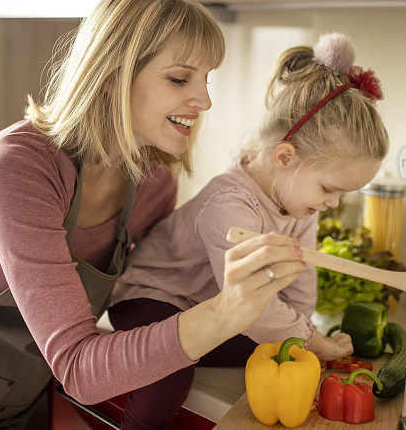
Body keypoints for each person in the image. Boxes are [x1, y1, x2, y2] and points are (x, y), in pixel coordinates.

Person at [0, 0, 307, 429]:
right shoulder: (18, 168)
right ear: (113, 74)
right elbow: (80, 368)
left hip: (7, 387)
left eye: (207, 80)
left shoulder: (154, 179)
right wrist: (226, 311)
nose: (203, 100)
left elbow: (143, 296)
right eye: (180, 79)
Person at [107, 33, 390, 429]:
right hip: (149, 298)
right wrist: (314, 342)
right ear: (285, 157)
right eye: (330, 189)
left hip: (210, 307)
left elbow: (300, 283)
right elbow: (249, 299)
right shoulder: (229, 205)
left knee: (271, 342)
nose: (333, 204)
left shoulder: (301, 205)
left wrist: (302, 332)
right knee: (172, 373)